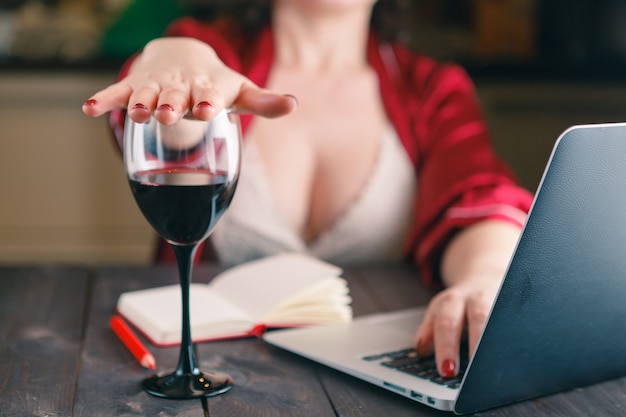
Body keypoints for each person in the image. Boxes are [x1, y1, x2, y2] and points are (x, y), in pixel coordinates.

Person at [82, 0, 533, 379]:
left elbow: (478, 197)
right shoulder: (212, 56)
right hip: (218, 377)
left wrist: (486, 279)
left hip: (382, 376)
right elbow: (167, 128)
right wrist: (169, 62)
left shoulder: (433, 89)